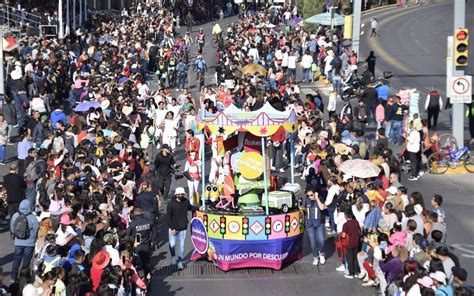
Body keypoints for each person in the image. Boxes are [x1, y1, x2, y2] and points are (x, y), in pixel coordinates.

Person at [10, 199, 39, 281]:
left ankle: (13, 277)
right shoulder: (33, 217)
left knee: (16, 260)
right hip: (29, 243)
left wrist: (15, 235)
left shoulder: (15, 215)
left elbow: (12, 227)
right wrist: (33, 238)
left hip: (18, 242)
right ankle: (23, 278)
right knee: (26, 261)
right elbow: (36, 229)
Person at [167, 187, 195, 270]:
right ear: (176, 195)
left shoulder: (186, 202)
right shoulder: (171, 204)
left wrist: (199, 208)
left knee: (182, 246)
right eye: (179, 194)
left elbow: (190, 207)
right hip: (173, 228)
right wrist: (172, 228)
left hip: (183, 228)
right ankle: (173, 257)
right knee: (172, 245)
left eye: (182, 194)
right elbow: (168, 217)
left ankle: (180, 262)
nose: (181, 196)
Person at [305, 189, 327, 266]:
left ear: (315, 193)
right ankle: (315, 257)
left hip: (319, 223)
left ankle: (321, 254)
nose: (310, 197)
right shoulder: (307, 200)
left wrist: (317, 198)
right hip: (310, 224)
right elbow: (304, 209)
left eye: (311, 195)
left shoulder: (320, 199)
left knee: (321, 240)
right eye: (308, 195)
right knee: (313, 243)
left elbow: (321, 208)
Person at [342, 210, 360, 278]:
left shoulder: (345, 225)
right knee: (355, 258)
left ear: (346, 216)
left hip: (349, 243)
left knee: (350, 258)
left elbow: (343, 235)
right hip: (356, 242)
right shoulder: (356, 222)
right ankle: (356, 272)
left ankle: (350, 273)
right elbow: (359, 230)